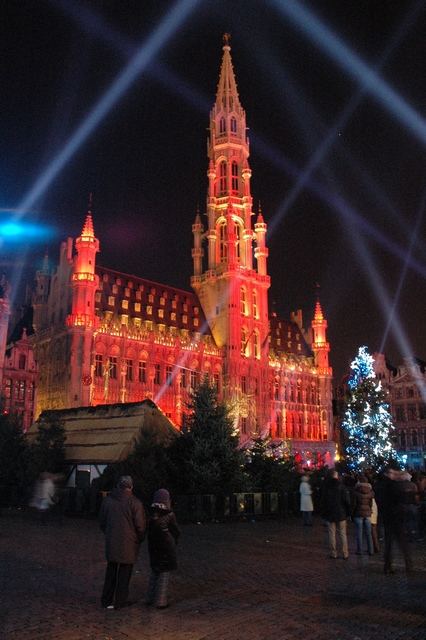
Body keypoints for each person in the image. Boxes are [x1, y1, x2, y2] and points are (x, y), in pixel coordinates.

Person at [99, 476, 146, 609]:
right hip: (129, 544)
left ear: (118, 486)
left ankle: (106, 600)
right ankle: (120, 601)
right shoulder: (135, 503)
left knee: (111, 571)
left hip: (112, 541)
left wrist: (109, 533)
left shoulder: (107, 501)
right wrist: (139, 539)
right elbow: (140, 526)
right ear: (131, 487)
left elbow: (102, 522)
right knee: (125, 574)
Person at [145, 489, 180, 609]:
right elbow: (176, 531)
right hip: (166, 548)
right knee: (164, 573)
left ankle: (149, 597)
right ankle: (160, 601)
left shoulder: (151, 514)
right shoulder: (169, 515)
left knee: (155, 571)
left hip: (153, 547)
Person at [382, 468, 414, 575]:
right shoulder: (395, 487)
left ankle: (388, 566)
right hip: (396, 517)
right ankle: (408, 566)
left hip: (389, 517)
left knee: (389, 544)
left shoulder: (386, 485)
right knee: (402, 543)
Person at [320, 469, 351, 559]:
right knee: (342, 534)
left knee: (331, 534)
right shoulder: (341, 487)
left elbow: (323, 501)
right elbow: (346, 501)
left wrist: (324, 512)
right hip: (341, 513)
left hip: (330, 513)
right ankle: (345, 553)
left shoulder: (326, 487)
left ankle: (334, 553)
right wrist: (348, 512)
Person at [352, 474, 374, 555]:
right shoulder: (370, 491)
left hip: (358, 513)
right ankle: (370, 550)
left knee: (359, 532)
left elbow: (354, 504)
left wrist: (352, 513)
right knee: (368, 533)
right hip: (367, 513)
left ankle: (359, 550)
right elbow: (371, 503)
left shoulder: (356, 491)